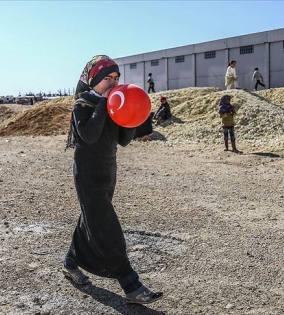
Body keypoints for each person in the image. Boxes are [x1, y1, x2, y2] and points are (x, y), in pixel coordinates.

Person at [64, 55, 163, 305]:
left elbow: (123, 140)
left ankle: (70, 263)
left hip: (108, 172)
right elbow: (88, 135)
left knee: (92, 219)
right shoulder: (83, 105)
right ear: (93, 79)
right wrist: (104, 105)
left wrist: (133, 115)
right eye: (106, 78)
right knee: (107, 227)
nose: (112, 83)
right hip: (87, 175)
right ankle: (131, 285)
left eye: (116, 78)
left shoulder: (111, 105)